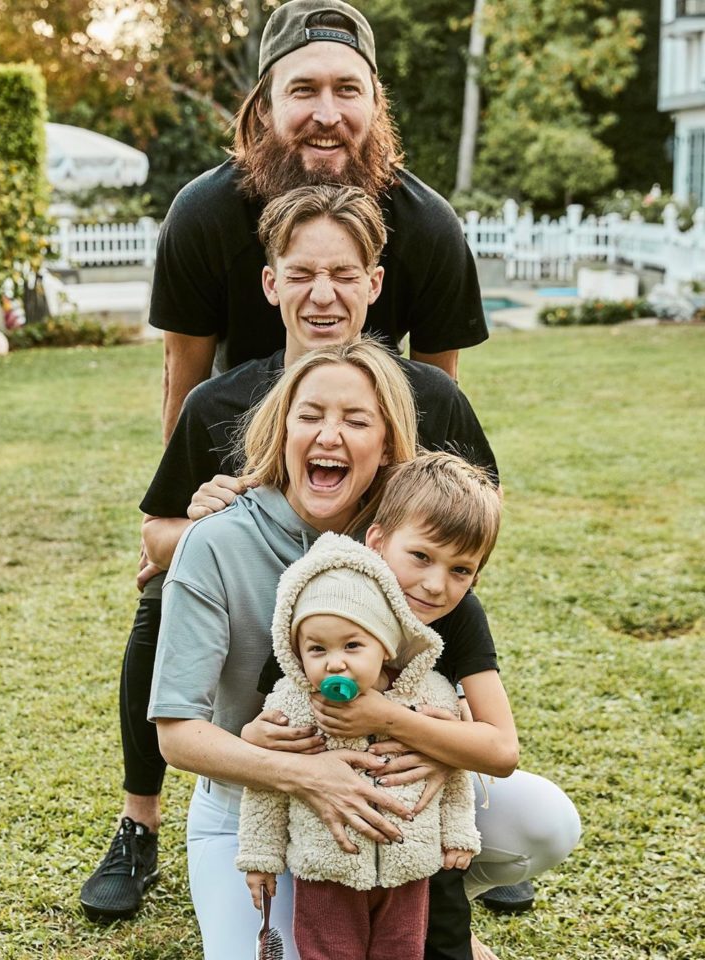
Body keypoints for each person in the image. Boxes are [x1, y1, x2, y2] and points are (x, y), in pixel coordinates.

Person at [80, 184, 501, 927]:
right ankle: (142, 823)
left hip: (396, 748)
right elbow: (159, 536)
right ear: (270, 283)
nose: (323, 294)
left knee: (543, 823)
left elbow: (462, 554)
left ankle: (447, 899)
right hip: (261, 776)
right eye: (302, 273)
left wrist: (439, 736)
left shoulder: (424, 430)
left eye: (343, 274)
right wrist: (210, 529)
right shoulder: (222, 413)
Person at [147, 341, 519, 960]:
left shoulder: (409, 541)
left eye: (356, 420)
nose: (329, 435)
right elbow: (177, 735)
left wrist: (432, 747)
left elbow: (487, 732)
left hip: (399, 798)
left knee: (546, 823)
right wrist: (304, 773)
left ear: (387, 445)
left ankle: (427, 906)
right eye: (311, 415)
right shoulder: (214, 542)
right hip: (254, 801)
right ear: (282, 430)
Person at [152, 0, 487, 444]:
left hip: (373, 450)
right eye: (304, 89)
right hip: (238, 449)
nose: (328, 116)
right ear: (264, 107)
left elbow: (437, 408)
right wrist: (188, 487)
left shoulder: (429, 227)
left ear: (375, 104)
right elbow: (183, 395)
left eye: (347, 89)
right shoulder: (203, 217)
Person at [237, 451, 503, 960]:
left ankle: (456, 923)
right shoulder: (329, 605)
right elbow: (270, 712)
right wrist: (254, 739)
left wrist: (397, 724)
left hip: (415, 828)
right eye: (421, 556)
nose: (435, 584)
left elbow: (501, 750)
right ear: (377, 542)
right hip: (328, 841)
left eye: (461, 569)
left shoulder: (461, 615)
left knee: (435, 932)